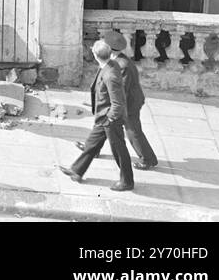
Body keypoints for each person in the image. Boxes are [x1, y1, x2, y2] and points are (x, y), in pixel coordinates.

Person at [60, 39, 134, 192]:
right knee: (92, 144)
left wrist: (111, 118)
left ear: (95, 55)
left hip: (110, 119)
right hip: (104, 116)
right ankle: (77, 170)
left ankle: (127, 182)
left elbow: (118, 102)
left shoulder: (110, 75)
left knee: (119, 151)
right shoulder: (109, 65)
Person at [104, 30, 157, 170]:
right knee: (105, 125)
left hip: (129, 104)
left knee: (132, 131)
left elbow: (123, 90)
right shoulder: (117, 60)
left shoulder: (122, 65)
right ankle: (91, 149)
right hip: (126, 102)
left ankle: (148, 159)